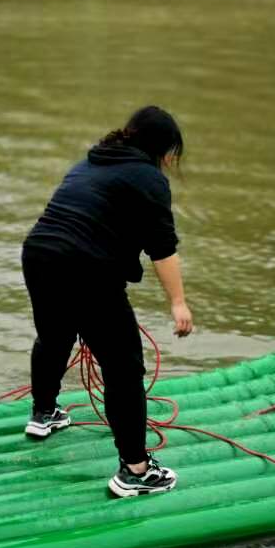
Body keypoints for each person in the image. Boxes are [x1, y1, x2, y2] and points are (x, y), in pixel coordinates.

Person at [19, 106, 194, 498]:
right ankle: (136, 469)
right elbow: (163, 248)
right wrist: (179, 302)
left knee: (54, 336)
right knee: (124, 367)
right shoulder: (149, 178)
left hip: (39, 254)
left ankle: (43, 413)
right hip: (86, 270)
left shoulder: (90, 162)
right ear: (163, 149)